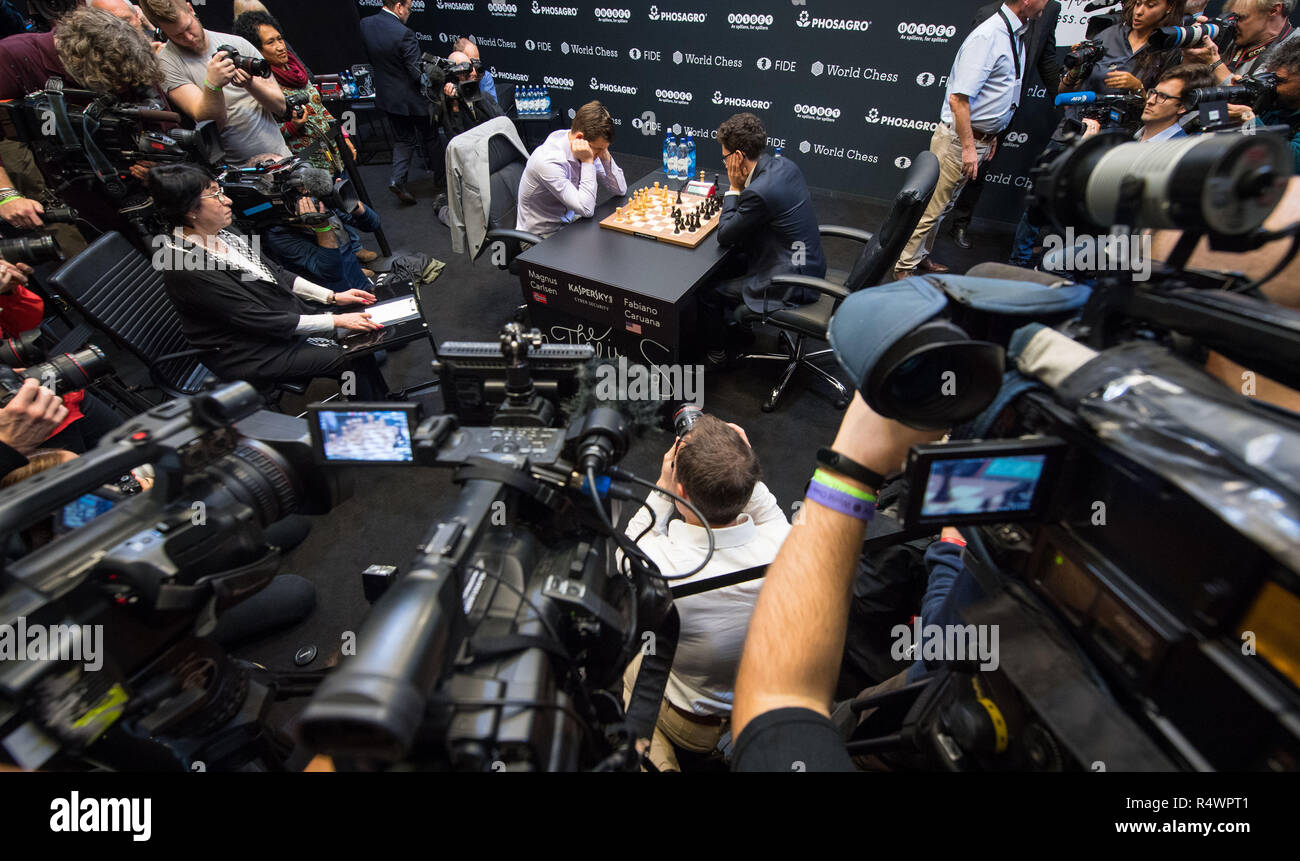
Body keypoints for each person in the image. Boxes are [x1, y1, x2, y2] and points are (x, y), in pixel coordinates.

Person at [728, 393, 945, 770]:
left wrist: (851, 465)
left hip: (861, 657)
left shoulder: (890, 546)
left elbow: (778, 701)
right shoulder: (937, 549)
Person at [622, 416, 790, 771]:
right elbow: (764, 506)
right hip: (758, 703)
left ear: (679, 491)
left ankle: (655, 755)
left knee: (631, 671)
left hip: (689, 722)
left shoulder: (663, 565)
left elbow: (627, 550)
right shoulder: (787, 542)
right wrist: (739, 464)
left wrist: (661, 487)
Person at [147, 164, 388, 399]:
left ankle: (378, 403)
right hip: (250, 351)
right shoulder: (185, 267)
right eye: (215, 194)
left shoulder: (225, 231)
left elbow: (276, 273)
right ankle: (366, 420)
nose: (227, 200)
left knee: (358, 341)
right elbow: (257, 319)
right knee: (350, 356)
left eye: (220, 190)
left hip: (275, 324)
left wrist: (332, 297)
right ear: (190, 209)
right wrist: (335, 319)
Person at [1009, 0, 1186, 267]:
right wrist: (1074, 70)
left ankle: (1063, 267)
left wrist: (1138, 88)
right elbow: (1064, 89)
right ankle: (1018, 263)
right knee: (1040, 200)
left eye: (1149, 6)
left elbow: (1168, 103)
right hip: (1073, 128)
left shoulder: (1169, 50)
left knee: (1084, 210)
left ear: (1168, 9)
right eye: (1137, 3)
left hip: (1114, 142)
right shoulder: (1109, 34)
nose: (1139, 11)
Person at [895, 0, 1052, 282]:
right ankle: (903, 266)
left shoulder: (1015, 34)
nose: (1049, 4)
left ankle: (920, 257)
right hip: (959, 141)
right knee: (932, 208)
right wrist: (969, 146)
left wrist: (992, 136)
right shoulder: (988, 35)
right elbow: (958, 99)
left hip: (978, 139)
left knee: (945, 207)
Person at [0, 7, 166, 239]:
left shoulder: (128, 53)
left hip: (130, 177)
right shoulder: (15, 56)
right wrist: (6, 194)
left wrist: (157, 161)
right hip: (63, 185)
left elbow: (158, 115)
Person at [702, 112, 825, 366]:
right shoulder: (784, 165)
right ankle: (739, 328)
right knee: (729, 264)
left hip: (789, 282)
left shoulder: (759, 192)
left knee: (709, 291)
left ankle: (717, 353)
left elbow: (725, 235)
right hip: (809, 264)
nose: (724, 163)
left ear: (737, 157)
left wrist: (734, 188)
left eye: (725, 156)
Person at [949, 0, 1063, 250]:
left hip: (1004, 113)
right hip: (974, 115)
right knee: (945, 185)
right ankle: (917, 248)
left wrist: (1063, 97)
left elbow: (1046, 57)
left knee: (979, 173)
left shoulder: (1050, 10)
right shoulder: (988, 19)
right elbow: (966, 80)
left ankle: (960, 223)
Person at [140, 0, 290, 165]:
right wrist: (213, 85)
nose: (189, 38)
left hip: (282, 156)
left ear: (191, 9)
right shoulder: (168, 64)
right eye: (178, 35)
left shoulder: (236, 42)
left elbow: (280, 107)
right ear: (164, 32)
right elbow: (212, 125)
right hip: (238, 170)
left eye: (189, 27)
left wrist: (251, 85)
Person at [233, 10, 358, 177]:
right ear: (256, 50)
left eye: (279, 39)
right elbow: (263, 135)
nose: (280, 47)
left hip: (333, 153)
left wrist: (343, 136)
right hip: (306, 166)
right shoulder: (260, 86)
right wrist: (293, 126)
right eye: (270, 42)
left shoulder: (296, 70)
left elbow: (319, 107)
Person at [359, 0, 445, 206]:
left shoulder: (366, 24)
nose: (409, 13)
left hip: (387, 97)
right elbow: (417, 74)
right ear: (398, 6)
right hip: (411, 99)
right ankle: (442, 181)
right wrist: (435, 76)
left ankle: (398, 180)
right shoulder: (404, 34)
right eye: (409, 9)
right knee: (431, 136)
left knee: (403, 139)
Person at [515, 101, 627, 237]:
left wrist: (604, 155)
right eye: (599, 149)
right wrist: (587, 161)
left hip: (568, 224)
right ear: (580, 138)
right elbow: (586, 209)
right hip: (539, 238)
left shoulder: (585, 144)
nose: (600, 154)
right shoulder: (549, 161)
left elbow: (620, 189)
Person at [264, 196, 385, 295]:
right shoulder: (277, 233)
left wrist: (350, 202)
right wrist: (322, 227)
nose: (306, 197)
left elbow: (372, 224)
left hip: (361, 284)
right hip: (334, 301)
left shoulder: (318, 202)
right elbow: (331, 272)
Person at [1080, 62, 1217, 140]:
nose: (1150, 100)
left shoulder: (1177, 149)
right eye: (1153, 92)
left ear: (1182, 107)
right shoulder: (1133, 137)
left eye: (1163, 97)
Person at [1183, 0, 1300, 84]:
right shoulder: (1231, 32)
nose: (1234, 23)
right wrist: (1191, 58)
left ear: (1274, 10)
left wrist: (1214, 64)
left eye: (1241, 17)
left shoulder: (1295, 50)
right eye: (1233, 16)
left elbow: (1253, 106)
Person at [1255, 38, 1300, 171]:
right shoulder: (1274, 103)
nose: (1271, 87)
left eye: (1279, 81)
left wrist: (1249, 121)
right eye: (1269, 79)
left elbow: (1293, 162)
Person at [439, 49, 504, 138]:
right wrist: (455, 106)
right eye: (465, 69)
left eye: (471, 66)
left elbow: (502, 122)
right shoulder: (449, 105)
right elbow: (456, 140)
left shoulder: (484, 96)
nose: (472, 72)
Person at [454, 36, 497, 104]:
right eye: (471, 62)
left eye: (477, 62)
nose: (475, 70)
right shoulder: (450, 80)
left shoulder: (484, 76)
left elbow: (492, 109)